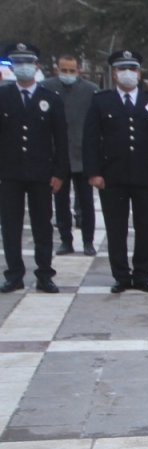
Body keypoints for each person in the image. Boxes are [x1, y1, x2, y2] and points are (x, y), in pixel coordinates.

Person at [83, 49, 148, 294]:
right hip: (113, 176)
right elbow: (90, 139)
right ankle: (121, 276)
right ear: (114, 74)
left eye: (132, 69)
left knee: (146, 228)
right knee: (116, 228)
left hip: (146, 176)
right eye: (122, 69)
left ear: (139, 72)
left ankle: (143, 275)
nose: (128, 74)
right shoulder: (101, 100)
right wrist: (94, 172)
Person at [0, 43, 67, 294]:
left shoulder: (50, 99)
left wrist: (60, 172)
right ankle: (14, 274)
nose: (23, 68)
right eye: (18, 63)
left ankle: (45, 274)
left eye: (27, 63)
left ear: (37, 66)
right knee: (10, 225)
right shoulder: (3, 96)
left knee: (42, 225)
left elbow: (60, 139)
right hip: (10, 173)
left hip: (41, 173)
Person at [42, 54, 98, 256]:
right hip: (58, 156)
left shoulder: (91, 90)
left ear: (78, 71)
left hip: (82, 154)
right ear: (57, 69)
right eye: (63, 70)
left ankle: (88, 241)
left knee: (86, 201)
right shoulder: (46, 88)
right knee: (60, 201)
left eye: (71, 70)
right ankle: (66, 240)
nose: (67, 74)